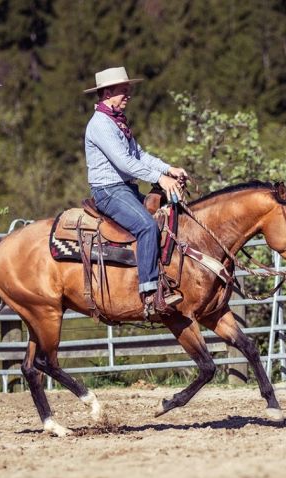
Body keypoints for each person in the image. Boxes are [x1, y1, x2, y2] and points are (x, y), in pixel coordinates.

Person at [83, 66, 188, 315]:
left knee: (169, 216)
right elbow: (124, 162)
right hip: (109, 191)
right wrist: (161, 179)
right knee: (147, 226)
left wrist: (169, 169)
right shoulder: (100, 125)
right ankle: (149, 293)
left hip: (124, 189)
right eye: (123, 91)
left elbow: (139, 155)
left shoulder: (116, 122)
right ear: (107, 93)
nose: (128, 96)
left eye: (128, 91)